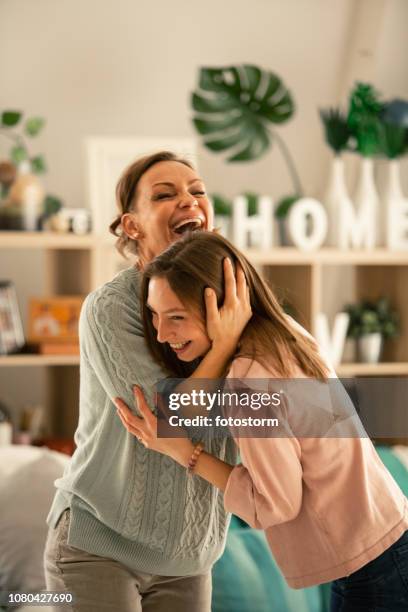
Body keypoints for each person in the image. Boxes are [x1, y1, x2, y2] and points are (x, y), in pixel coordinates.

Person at [116, 230, 408, 612]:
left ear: (221, 307)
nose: (160, 333)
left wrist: (184, 452)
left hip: (371, 568)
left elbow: (276, 504)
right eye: (154, 315)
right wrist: (221, 347)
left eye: (176, 317)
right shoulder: (284, 335)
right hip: (384, 543)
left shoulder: (248, 380)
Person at [43, 151, 252, 612]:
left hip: (190, 554)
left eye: (197, 191)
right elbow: (165, 415)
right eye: (165, 194)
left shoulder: (236, 296)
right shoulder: (109, 309)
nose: (188, 200)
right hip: (99, 544)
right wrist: (225, 344)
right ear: (132, 226)